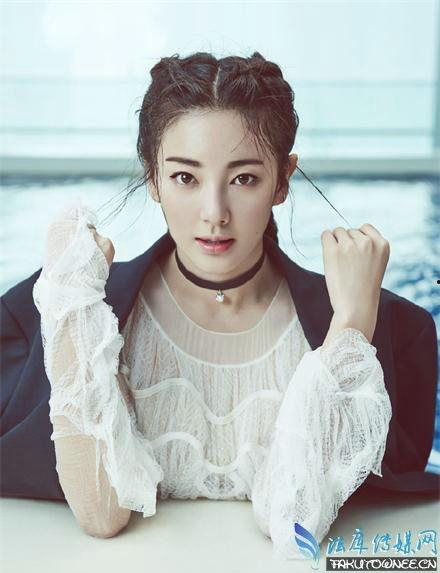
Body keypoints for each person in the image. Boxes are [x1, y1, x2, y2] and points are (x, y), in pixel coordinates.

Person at [0, 52, 438, 562]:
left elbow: (294, 523)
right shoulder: (71, 311)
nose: (214, 213)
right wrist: (73, 307)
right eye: (185, 178)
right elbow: (101, 515)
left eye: (243, 178)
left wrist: (353, 325)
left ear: (282, 180)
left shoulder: (390, 333)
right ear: (153, 178)